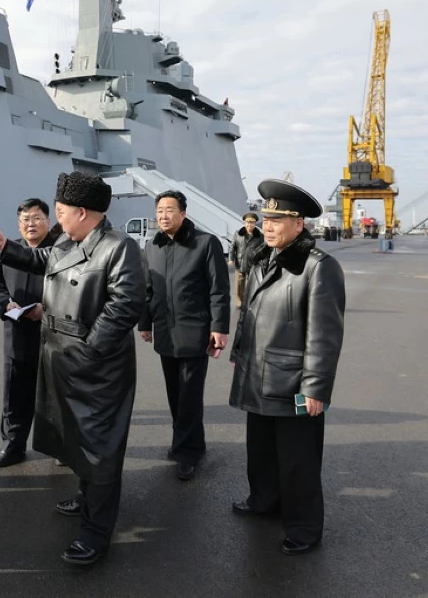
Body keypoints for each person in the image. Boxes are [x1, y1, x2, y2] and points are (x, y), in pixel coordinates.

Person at [0, 172, 143, 567]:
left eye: (60, 211)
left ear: (82, 212)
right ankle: (87, 498)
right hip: (61, 359)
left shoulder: (119, 248)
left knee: (100, 448)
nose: (56, 218)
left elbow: (124, 305)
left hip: (95, 366)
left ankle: (96, 531)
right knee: (74, 438)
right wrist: (6, 246)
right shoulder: (69, 241)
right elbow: (42, 259)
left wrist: (88, 351)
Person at [229, 179, 345, 556]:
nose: (268, 225)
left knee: (299, 459)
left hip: (295, 382)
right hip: (258, 373)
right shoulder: (263, 257)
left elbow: (324, 335)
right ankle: (264, 501)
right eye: (266, 218)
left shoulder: (318, 268)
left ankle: (304, 527)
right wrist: (240, 356)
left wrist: (315, 387)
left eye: (278, 219)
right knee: (260, 449)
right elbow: (250, 315)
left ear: (300, 224)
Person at [137, 190, 230, 480]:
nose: (163, 216)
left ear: (183, 213)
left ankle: (187, 452)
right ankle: (190, 443)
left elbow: (219, 290)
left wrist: (219, 328)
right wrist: (144, 322)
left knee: (190, 396)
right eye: (159, 211)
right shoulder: (152, 247)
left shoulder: (205, 243)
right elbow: (147, 289)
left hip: (195, 331)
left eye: (169, 210)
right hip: (165, 331)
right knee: (175, 394)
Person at [0, 198, 60, 467]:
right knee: (15, 396)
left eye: (36, 218)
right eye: (25, 219)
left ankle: (58, 448)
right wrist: (6, 303)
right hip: (16, 334)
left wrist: (46, 308)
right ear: (18, 224)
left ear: (48, 222)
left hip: (50, 336)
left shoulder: (58, 252)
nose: (31, 224)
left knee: (52, 396)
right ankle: (13, 446)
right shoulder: (10, 251)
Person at [230, 212, 260, 306]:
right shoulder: (238, 234)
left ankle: (251, 302)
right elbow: (232, 247)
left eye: (252, 222)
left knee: (252, 284)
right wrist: (231, 259)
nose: (249, 224)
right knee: (239, 284)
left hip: (253, 264)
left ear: (255, 224)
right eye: (248, 222)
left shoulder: (259, 237)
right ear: (244, 223)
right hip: (240, 262)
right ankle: (239, 302)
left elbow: (263, 249)